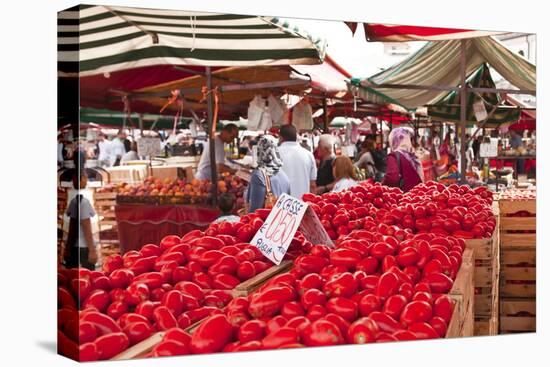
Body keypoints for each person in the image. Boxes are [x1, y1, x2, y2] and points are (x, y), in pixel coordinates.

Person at [246, 135, 290, 212]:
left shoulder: (258, 175)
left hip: (264, 222)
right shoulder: (283, 175)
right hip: (280, 222)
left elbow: (255, 210)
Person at [64, 171, 97, 270]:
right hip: (84, 247)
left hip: (73, 247)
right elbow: (86, 227)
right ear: (80, 179)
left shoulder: (74, 200)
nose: (87, 181)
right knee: (89, 278)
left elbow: (72, 224)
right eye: (85, 178)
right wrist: (92, 250)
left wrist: (68, 248)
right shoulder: (83, 202)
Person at [278, 124, 317, 199]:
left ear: (280, 137)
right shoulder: (308, 155)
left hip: (280, 204)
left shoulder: (274, 154)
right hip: (302, 205)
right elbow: (312, 185)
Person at [383, 127, 424, 192]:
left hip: (403, 197)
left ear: (393, 140)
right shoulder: (414, 156)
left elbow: (391, 178)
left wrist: (382, 188)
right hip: (417, 195)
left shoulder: (394, 156)